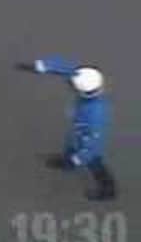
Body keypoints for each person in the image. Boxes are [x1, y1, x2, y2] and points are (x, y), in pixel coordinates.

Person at [15, 56, 117, 201]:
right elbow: (64, 68)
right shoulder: (84, 80)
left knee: (95, 164)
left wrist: (79, 158)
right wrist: (38, 66)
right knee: (70, 147)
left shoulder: (96, 114)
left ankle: (108, 189)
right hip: (77, 133)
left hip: (85, 140)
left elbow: (93, 143)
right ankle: (66, 162)